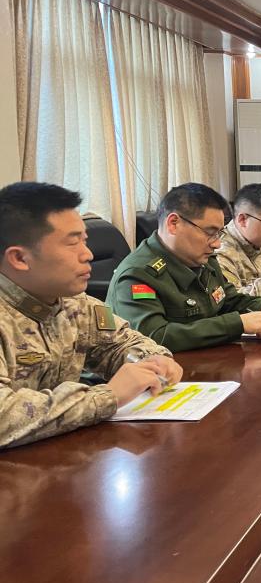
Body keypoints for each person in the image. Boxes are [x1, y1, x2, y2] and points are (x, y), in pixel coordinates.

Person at [0, 182, 182, 449]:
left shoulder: (74, 303)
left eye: (84, 240)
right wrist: (107, 396)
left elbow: (121, 343)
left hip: (61, 456)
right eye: (72, 243)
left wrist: (152, 361)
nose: (88, 254)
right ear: (19, 258)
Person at [108, 183, 261, 352]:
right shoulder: (137, 275)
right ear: (174, 224)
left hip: (208, 364)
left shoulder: (204, 260)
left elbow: (228, 299)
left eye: (219, 233)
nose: (217, 244)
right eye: (210, 232)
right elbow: (155, 336)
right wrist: (236, 324)